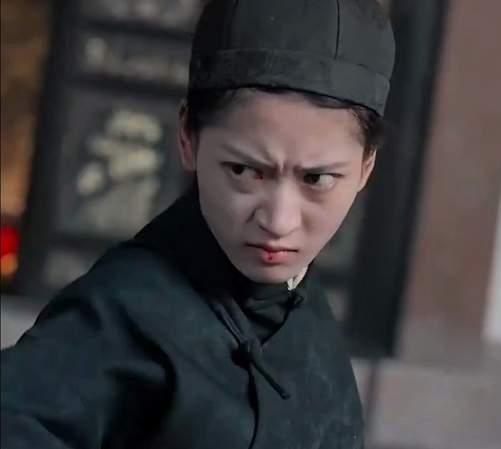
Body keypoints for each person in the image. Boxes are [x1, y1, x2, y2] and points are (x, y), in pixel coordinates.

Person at [0, 0, 395, 447]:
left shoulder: (311, 320)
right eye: (244, 171)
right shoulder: (121, 312)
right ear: (188, 137)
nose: (278, 221)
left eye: (317, 179)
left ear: (365, 167)